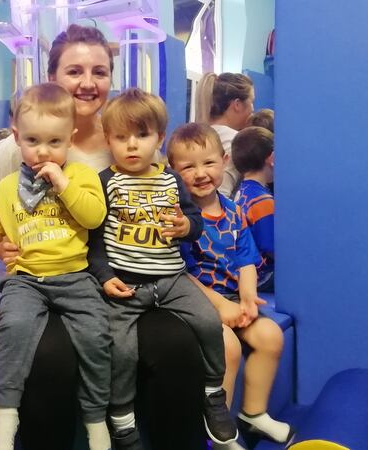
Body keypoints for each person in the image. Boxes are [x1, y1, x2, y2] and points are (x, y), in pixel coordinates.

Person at [0, 24, 210, 450]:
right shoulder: (11, 153)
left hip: (126, 284)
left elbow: (164, 216)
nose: (88, 83)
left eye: (99, 71)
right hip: (48, 282)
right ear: (52, 77)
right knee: (49, 357)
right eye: (75, 71)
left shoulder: (129, 144)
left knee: (175, 345)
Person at [0, 83, 111, 450]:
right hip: (26, 279)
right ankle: (6, 414)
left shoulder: (81, 176)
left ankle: (95, 417)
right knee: (14, 329)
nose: (43, 151)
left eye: (55, 143)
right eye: (32, 140)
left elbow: (93, 217)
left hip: (74, 276)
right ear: (16, 137)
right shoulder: (11, 185)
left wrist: (64, 185)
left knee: (96, 335)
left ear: (70, 139)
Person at [87, 88, 237, 449]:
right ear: (108, 140)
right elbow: (93, 242)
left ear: (159, 137)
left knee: (206, 322)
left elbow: (194, 219)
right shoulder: (105, 182)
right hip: (127, 285)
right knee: (121, 349)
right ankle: (122, 418)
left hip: (171, 279)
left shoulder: (170, 178)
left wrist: (187, 227)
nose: (132, 146)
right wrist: (105, 278)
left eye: (142, 135)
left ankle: (213, 392)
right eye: (121, 138)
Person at [168, 123, 293, 447]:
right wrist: (221, 306)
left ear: (224, 161)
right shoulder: (178, 219)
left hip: (232, 297)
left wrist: (248, 299)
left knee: (270, 336)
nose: (200, 173)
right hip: (194, 301)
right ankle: (219, 432)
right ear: (173, 171)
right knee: (228, 347)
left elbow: (246, 260)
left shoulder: (234, 211)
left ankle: (253, 412)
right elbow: (180, 274)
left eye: (208, 163)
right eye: (188, 167)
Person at [195, 72, 255, 198]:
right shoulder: (235, 141)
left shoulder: (195, 135)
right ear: (237, 105)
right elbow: (221, 194)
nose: (253, 109)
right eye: (251, 101)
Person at [232, 127, 275, 292]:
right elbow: (272, 249)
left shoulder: (241, 192)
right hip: (262, 276)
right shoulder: (263, 201)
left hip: (245, 271)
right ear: (272, 158)